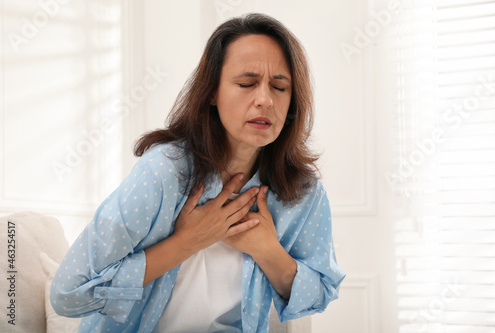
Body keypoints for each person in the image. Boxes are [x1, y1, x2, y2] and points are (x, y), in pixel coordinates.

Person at [51, 13, 345, 333]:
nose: (265, 100)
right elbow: (68, 295)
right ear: (212, 93)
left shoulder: (302, 191)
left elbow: (320, 293)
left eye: (279, 87)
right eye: (246, 83)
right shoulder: (163, 172)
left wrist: (268, 250)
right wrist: (187, 242)